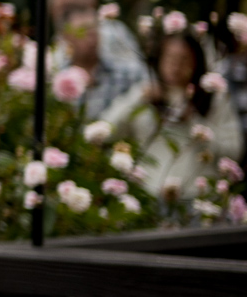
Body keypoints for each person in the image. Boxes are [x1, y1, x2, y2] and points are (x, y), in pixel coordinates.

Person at [102, 29, 242, 201]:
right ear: (159, 59)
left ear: (197, 63)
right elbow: (105, 131)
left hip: (197, 198)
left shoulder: (214, 98)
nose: (176, 67)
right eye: (170, 58)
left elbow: (233, 151)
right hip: (146, 196)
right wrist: (139, 100)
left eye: (184, 60)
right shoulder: (143, 93)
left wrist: (195, 124)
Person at [53, 5, 145, 121]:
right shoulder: (54, 79)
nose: (91, 36)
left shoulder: (128, 74)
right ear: (66, 36)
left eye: (94, 29)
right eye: (83, 30)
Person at [50, 0, 145, 73]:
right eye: (63, 9)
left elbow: (139, 74)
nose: (71, 17)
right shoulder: (54, 47)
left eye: (74, 6)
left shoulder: (114, 32)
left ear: (91, 1)